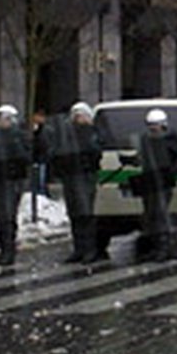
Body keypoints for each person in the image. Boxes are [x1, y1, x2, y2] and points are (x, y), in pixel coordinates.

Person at [134, 108, 177, 262]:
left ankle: (164, 247)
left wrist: (171, 172)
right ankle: (153, 247)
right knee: (149, 215)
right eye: (151, 125)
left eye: (156, 125)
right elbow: (143, 158)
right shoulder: (146, 139)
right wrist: (132, 160)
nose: (153, 128)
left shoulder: (172, 139)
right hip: (149, 181)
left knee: (161, 214)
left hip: (163, 182)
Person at [50, 102, 103, 264]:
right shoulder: (67, 134)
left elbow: (97, 152)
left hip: (86, 177)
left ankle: (90, 250)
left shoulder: (93, 132)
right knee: (75, 214)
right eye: (76, 116)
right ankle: (79, 248)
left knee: (85, 214)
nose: (78, 119)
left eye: (81, 116)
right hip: (70, 176)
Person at [0, 105, 30, 266]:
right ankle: (3, 248)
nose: (0, 122)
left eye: (3, 119)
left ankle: (9, 250)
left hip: (12, 181)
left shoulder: (18, 136)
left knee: (8, 215)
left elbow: (25, 157)